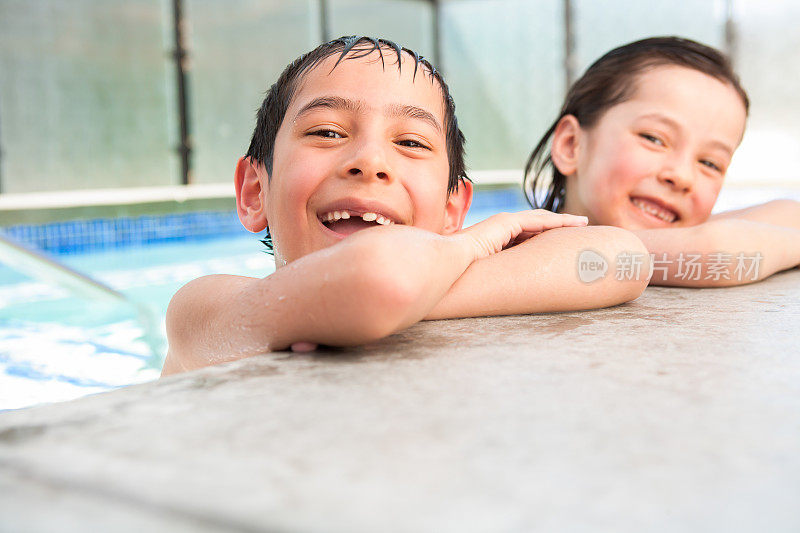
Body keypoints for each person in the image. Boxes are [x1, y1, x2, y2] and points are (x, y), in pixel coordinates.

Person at [161, 36, 649, 376]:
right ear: (254, 192)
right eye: (327, 132)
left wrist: (396, 297)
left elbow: (618, 258)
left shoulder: (431, 280)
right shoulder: (205, 309)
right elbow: (377, 278)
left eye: (412, 142)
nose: (370, 161)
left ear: (452, 209)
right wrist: (472, 245)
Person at [523, 36, 800, 287]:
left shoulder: (681, 238)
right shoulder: (505, 259)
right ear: (571, 145)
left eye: (710, 163)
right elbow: (716, 250)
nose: (682, 176)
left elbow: (791, 213)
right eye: (654, 139)